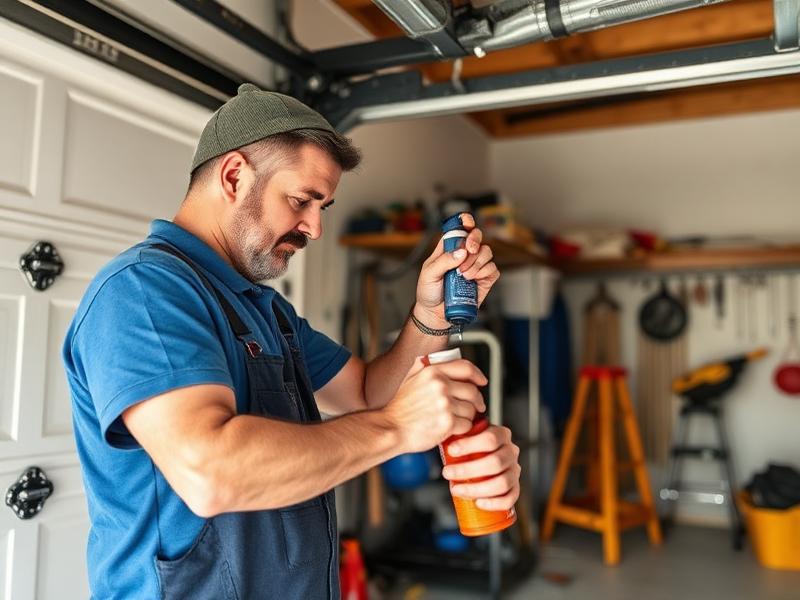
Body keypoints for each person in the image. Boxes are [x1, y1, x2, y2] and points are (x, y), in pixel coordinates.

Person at [63, 83, 520, 600]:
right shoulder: (143, 291)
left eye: (323, 205)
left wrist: (429, 315)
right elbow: (210, 472)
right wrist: (397, 429)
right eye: (302, 200)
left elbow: (369, 391)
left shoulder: (266, 310)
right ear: (234, 176)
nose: (316, 228)